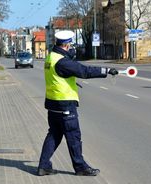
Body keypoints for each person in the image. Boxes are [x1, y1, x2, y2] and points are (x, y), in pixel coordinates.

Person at [37, 30, 118, 176]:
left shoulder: (51, 57)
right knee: (73, 136)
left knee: (54, 134)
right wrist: (106, 70)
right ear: (66, 45)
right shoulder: (63, 62)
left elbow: (60, 77)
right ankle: (80, 167)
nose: (72, 48)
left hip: (52, 104)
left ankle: (43, 166)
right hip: (65, 105)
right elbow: (84, 71)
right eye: (71, 45)